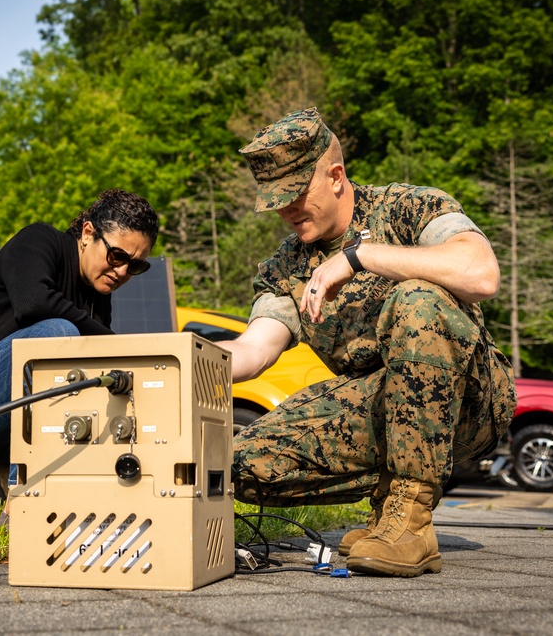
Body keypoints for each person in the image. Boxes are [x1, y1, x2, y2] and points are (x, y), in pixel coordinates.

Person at [221, 108, 516, 577]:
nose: (286, 210)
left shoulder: (409, 207)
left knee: (416, 298)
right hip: (381, 404)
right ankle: (386, 507)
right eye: (276, 199)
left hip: (470, 401)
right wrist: (173, 359)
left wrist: (360, 258)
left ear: (335, 176)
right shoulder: (286, 266)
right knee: (233, 465)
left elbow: (481, 274)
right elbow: (254, 351)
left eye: (297, 194)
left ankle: (412, 520)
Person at [0, 189, 159, 505]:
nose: (122, 272)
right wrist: (119, 345)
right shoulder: (38, 241)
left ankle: (0, 468)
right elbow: (33, 303)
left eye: (135, 266)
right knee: (58, 333)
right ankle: (24, 498)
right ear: (88, 233)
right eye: (117, 256)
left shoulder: (98, 295)